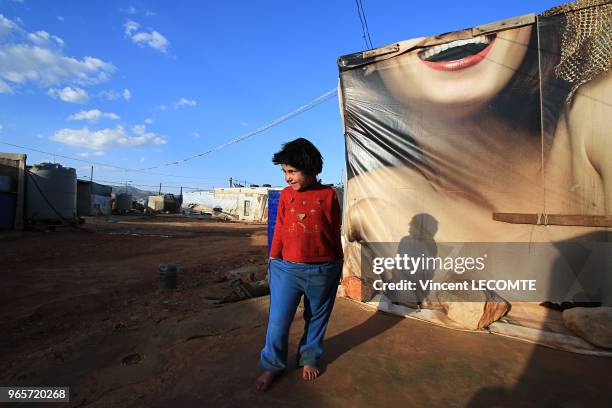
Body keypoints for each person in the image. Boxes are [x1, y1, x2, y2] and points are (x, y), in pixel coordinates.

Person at [255, 138, 343, 391]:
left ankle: (309, 358)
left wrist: (338, 263)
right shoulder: (285, 196)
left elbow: (334, 230)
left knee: (316, 318)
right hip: (286, 269)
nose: (287, 178)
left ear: (311, 169)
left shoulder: (329, 195)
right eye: (284, 172)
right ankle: (272, 365)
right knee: (278, 321)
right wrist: (273, 259)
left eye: (292, 171)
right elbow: (280, 229)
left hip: (323, 269)